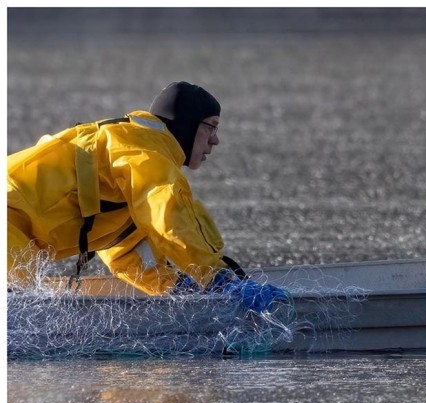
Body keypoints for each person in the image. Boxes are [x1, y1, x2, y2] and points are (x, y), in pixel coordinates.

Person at [7, 80, 289, 312]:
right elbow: (168, 216)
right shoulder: (145, 152)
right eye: (211, 127)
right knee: (19, 312)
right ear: (189, 124)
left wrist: (176, 286)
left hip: (12, 232)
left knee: (23, 309)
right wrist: (218, 278)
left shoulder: (129, 153)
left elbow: (127, 250)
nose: (215, 140)